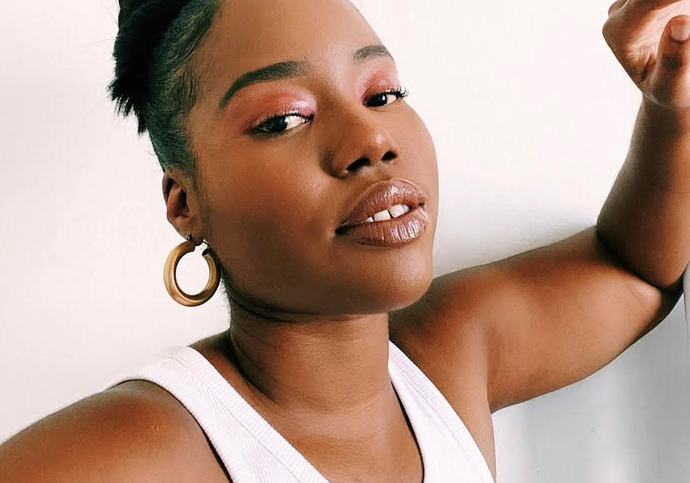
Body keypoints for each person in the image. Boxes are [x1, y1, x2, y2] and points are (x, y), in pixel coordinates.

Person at [2, 0, 690, 481]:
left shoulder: (451, 358)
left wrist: (671, 107)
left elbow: (637, 271)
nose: (370, 141)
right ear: (186, 205)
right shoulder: (138, 452)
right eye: (282, 119)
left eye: (382, 93)